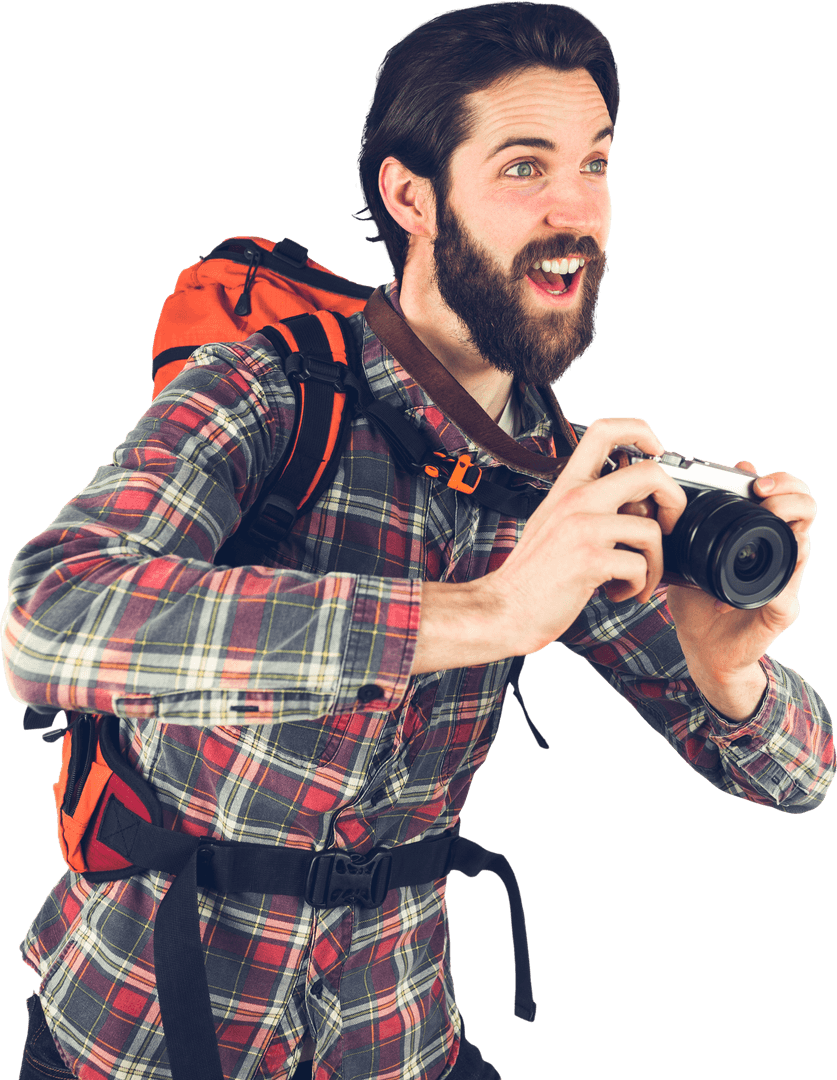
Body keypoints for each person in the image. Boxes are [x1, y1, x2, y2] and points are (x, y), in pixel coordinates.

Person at [4, 4, 833, 1080]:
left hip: (394, 1039)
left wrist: (732, 672)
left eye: (596, 164)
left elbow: (800, 777)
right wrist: (481, 613)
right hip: (144, 1035)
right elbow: (46, 623)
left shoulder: (568, 485)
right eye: (525, 167)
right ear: (412, 196)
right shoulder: (268, 387)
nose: (577, 209)